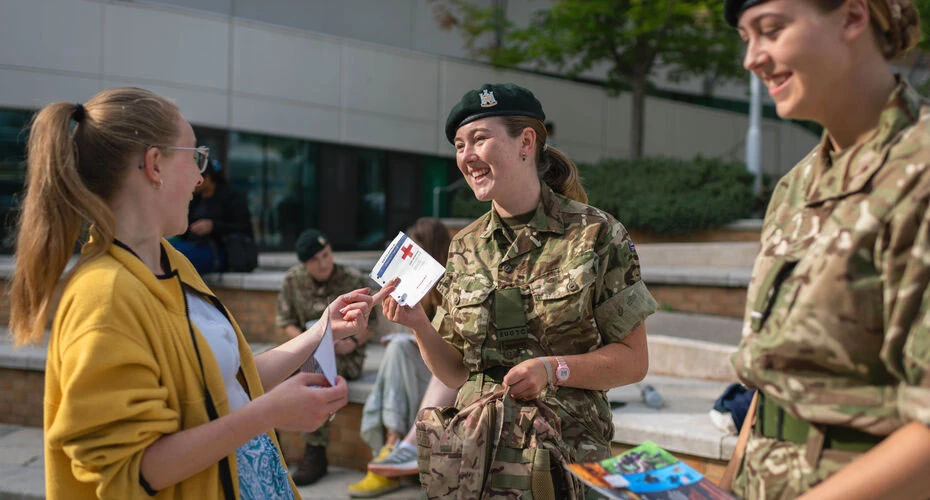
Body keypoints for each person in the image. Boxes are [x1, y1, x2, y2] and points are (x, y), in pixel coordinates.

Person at [7, 87, 392, 499]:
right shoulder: (103, 295)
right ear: (155, 165)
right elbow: (129, 473)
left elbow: (224, 384)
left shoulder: (170, 262)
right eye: (195, 157)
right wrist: (270, 413)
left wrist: (319, 332)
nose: (199, 176)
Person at [381, 83, 658, 497]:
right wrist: (419, 324)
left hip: (563, 463)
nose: (466, 156)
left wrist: (553, 369)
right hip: (476, 466)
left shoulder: (596, 235)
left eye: (479, 139)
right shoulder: (464, 246)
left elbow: (633, 362)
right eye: (459, 145)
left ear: (526, 141)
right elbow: (456, 372)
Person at [724, 0, 930, 498]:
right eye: (746, 38)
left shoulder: (919, 172)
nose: (752, 57)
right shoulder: (796, 185)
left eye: (770, 30)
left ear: (853, 17)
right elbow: (773, 377)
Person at [348, 217, 458, 498]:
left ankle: (403, 449)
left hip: (450, 375)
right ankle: (393, 446)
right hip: (426, 368)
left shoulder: (455, 283)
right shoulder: (414, 285)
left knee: (402, 352)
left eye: (416, 251)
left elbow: (457, 345)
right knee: (397, 349)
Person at [276, 228, 378, 486]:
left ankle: (315, 452)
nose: (323, 263)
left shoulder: (351, 278)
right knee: (275, 371)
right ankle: (272, 444)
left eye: (326, 255)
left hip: (345, 354)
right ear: (304, 263)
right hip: (306, 350)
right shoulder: (293, 280)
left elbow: (372, 322)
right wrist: (305, 342)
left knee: (317, 370)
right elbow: (286, 321)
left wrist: (353, 341)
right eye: (315, 259)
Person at [169, 158, 254, 274]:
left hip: (222, 250)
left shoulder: (231, 198)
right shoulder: (195, 199)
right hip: (193, 244)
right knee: (165, 250)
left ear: (207, 178)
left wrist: (213, 226)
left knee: (179, 257)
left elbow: (244, 228)